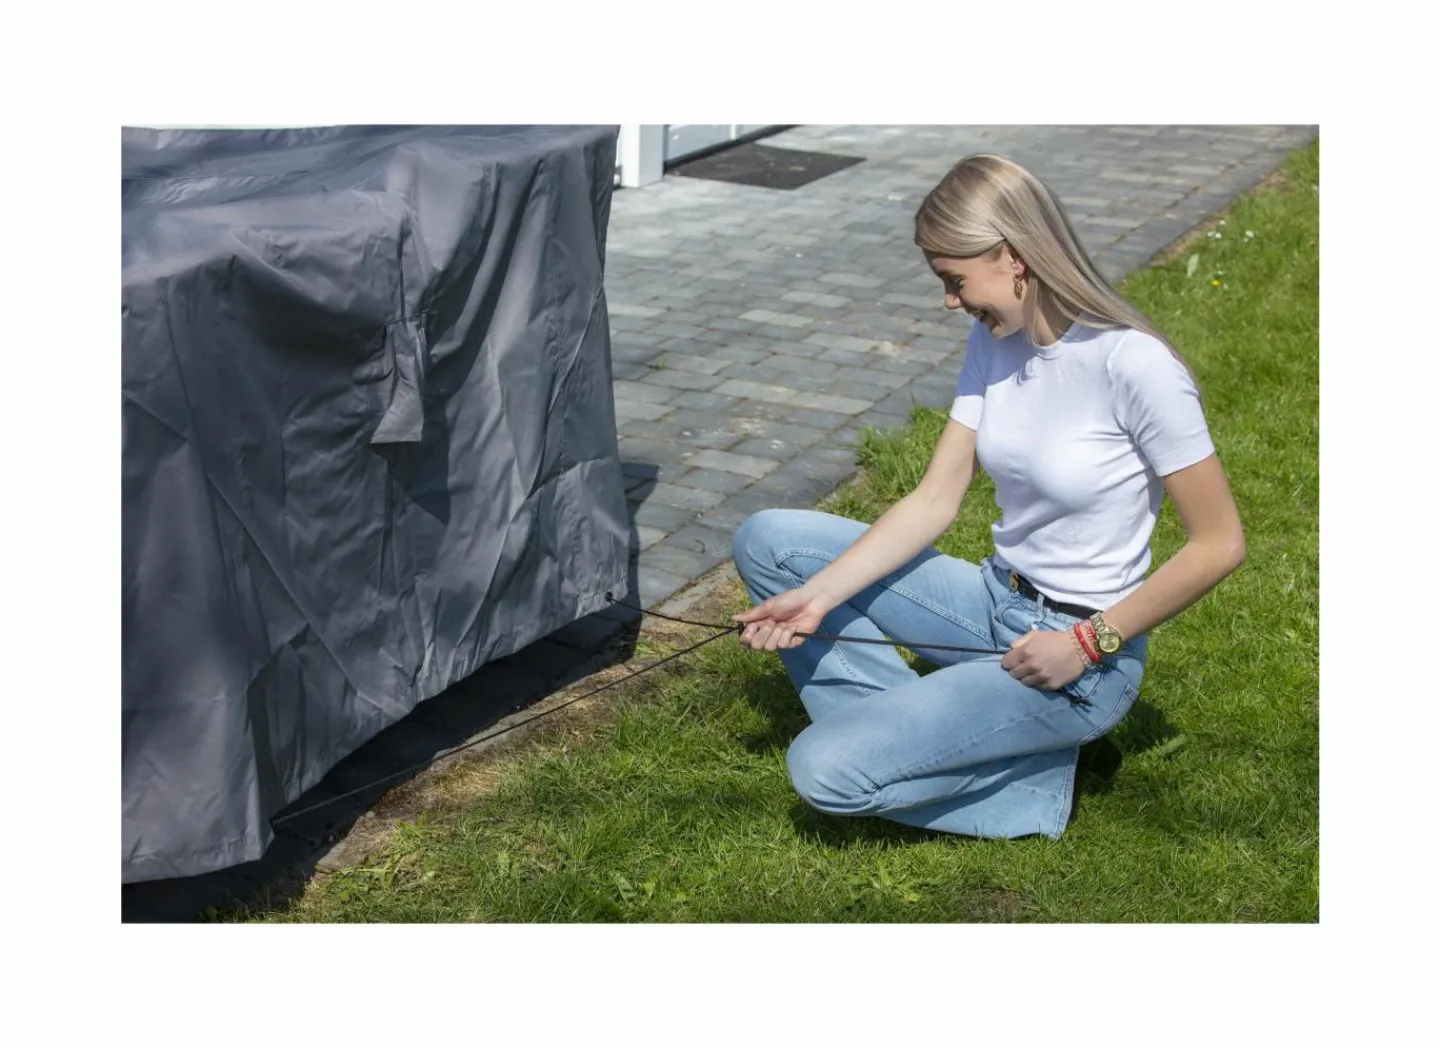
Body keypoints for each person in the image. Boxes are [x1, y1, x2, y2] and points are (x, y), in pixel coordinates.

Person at [730, 153, 1246, 840]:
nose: (951, 300)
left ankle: (1034, 788)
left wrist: (1086, 644)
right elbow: (934, 500)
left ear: (1014, 257)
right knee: (770, 540)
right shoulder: (994, 340)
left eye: (955, 280)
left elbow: (1219, 543)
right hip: (993, 601)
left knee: (823, 771)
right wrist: (817, 598)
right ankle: (962, 736)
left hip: (1082, 656)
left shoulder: (1135, 364)